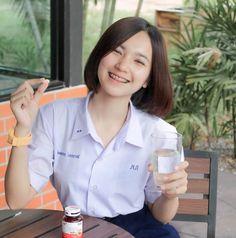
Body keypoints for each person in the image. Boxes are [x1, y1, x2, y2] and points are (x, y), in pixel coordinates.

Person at [5, 17, 188, 238]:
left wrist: (170, 195)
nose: (122, 65)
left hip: (139, 229)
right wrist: (23, 128)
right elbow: (17, 199)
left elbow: (162, 216)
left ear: (147, 79)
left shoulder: (161, 135)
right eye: (117, 51)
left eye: (139, 62)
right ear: (100, 54)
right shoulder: (55, 116)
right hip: (75, 228)